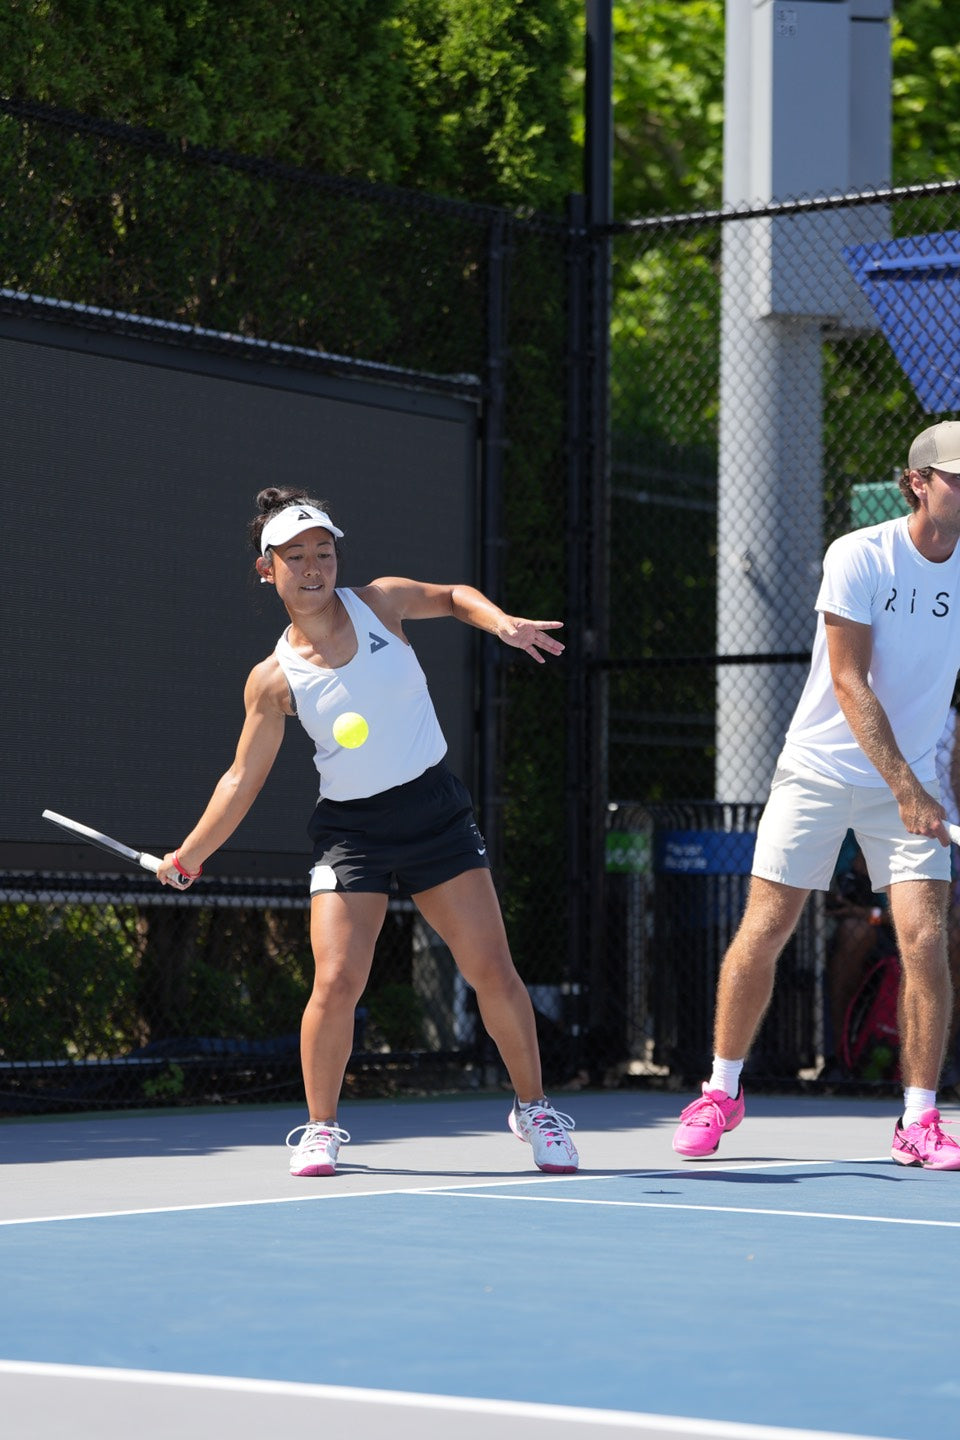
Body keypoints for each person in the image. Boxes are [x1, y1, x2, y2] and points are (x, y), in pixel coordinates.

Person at [156, 487, 579, 1178]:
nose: (315, 566)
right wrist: (190, 854)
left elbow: (451, 595)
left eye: (324, 551)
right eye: (297, 557)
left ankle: (534, 1110)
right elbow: (241, 779)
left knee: (492, 970)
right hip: (352, 833)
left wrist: (500, 623)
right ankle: (321, 1129)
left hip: (435, 813)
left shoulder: (380, 602)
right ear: (268, 569)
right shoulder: (272, 681)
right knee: (337, 979)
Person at [672, 419, 960, 1169]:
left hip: (916, 780)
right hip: (823, 770)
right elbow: (848, 679)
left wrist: (929, 784)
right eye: (955, 476)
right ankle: (720, 1091)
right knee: (766, 926)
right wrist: (906, 787)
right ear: (917, 483)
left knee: (925, 942)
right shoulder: (860, 555)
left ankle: (919, 1120)